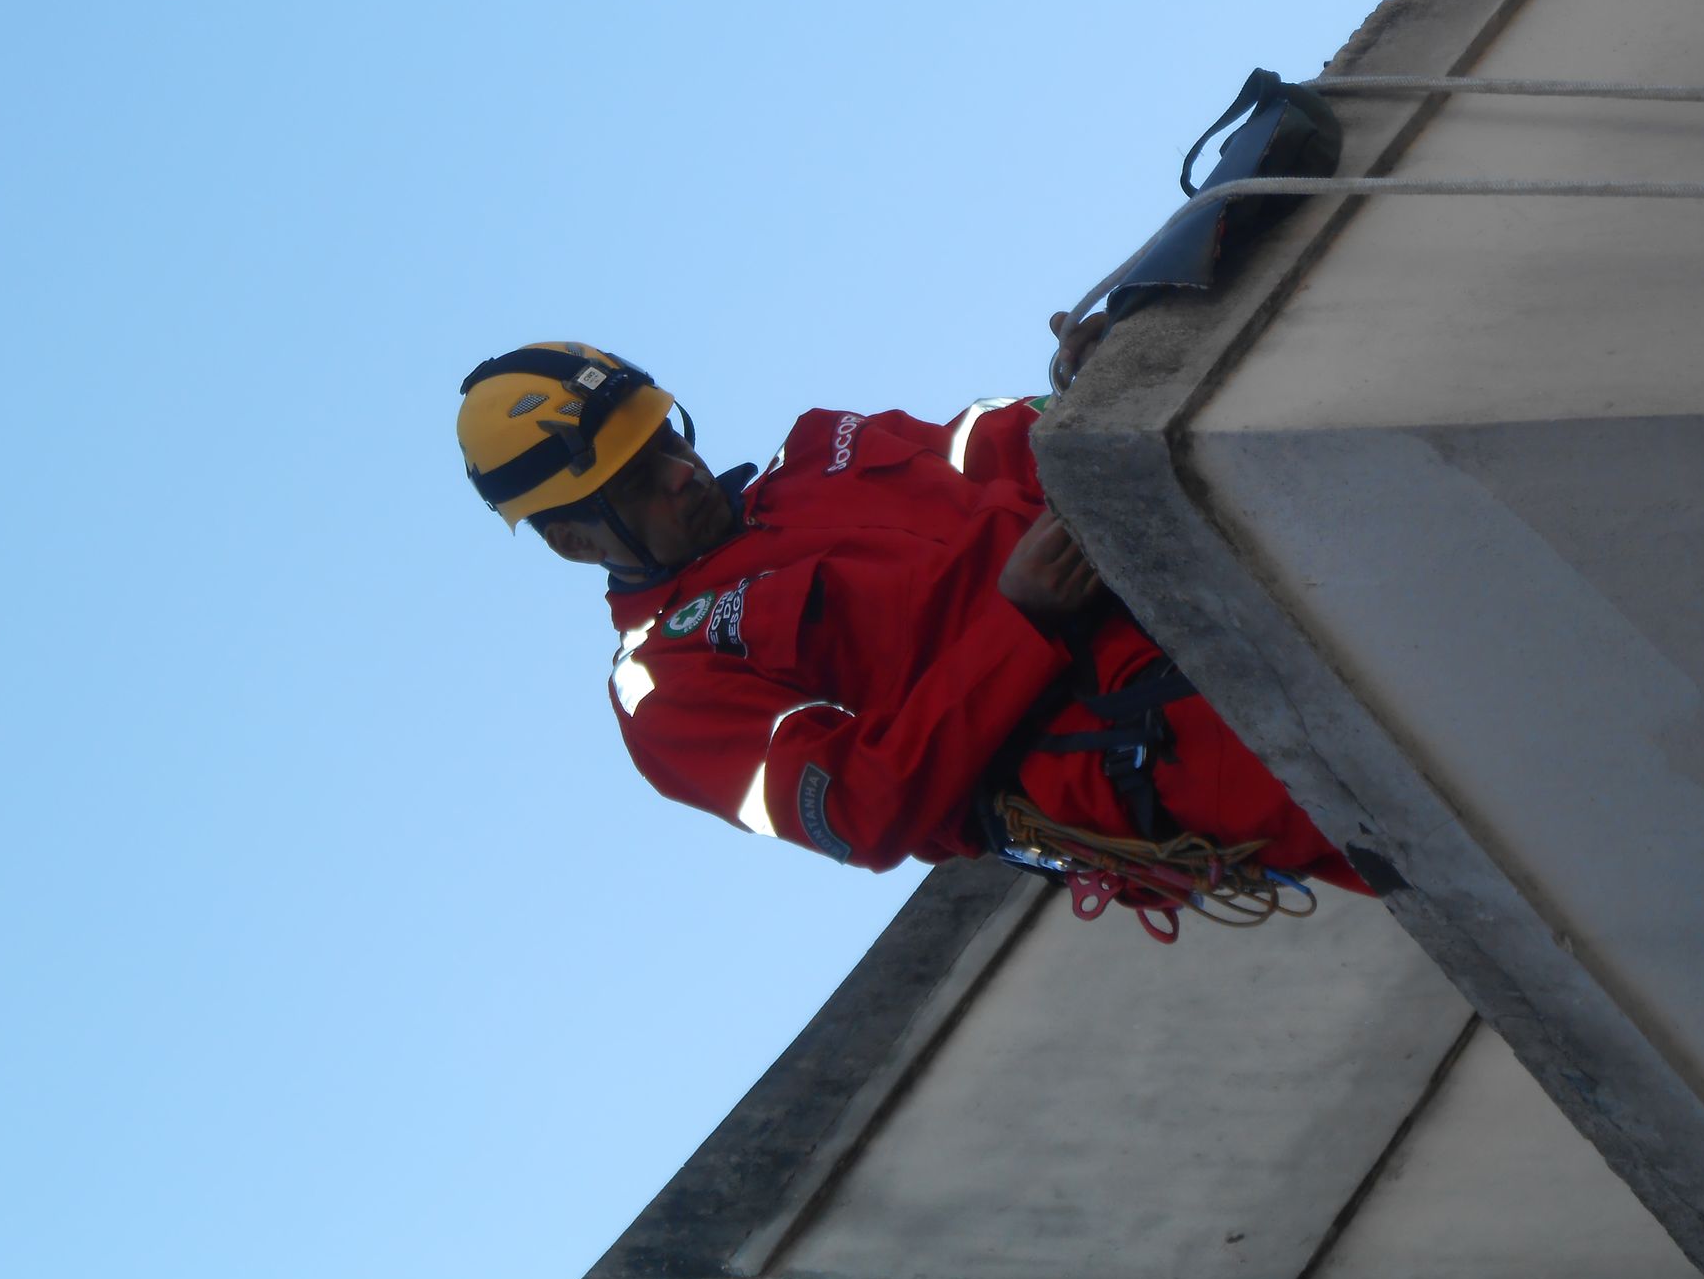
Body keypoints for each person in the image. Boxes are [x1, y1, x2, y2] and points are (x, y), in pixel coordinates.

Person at [453, 328, 1371, 928]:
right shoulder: (666, 682)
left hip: (1197, 578)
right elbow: (857, 808)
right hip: (1139, 736)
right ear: (574, 540)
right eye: (638, 482)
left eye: (666, 439)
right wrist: (1019, 623)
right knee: (1406, 784)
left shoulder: (822, 446)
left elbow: (996, 441)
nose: (680, 472)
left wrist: (1089, 389)